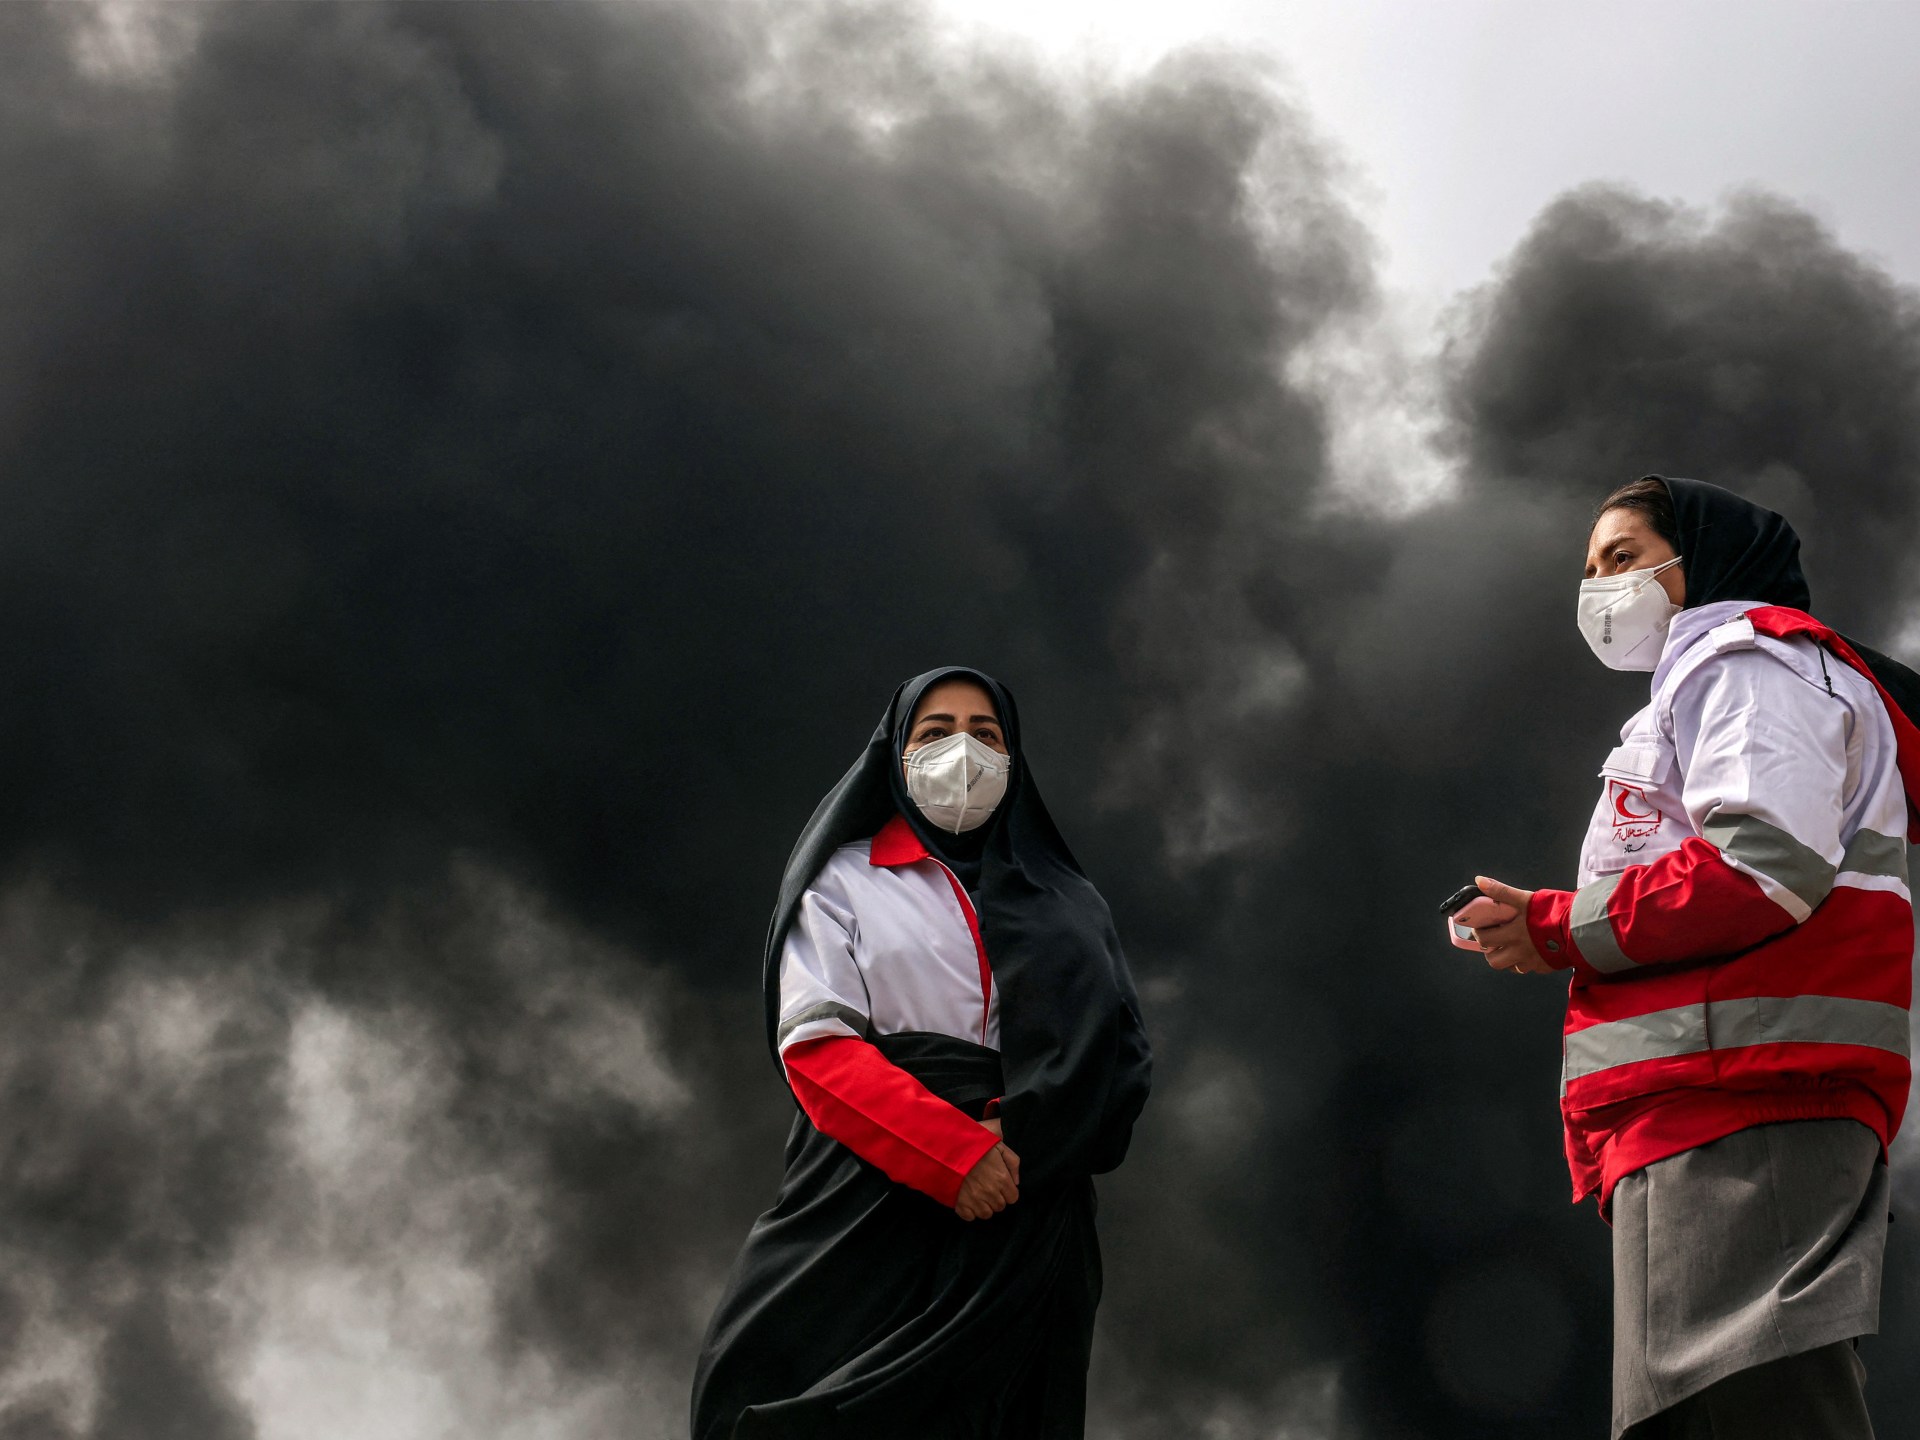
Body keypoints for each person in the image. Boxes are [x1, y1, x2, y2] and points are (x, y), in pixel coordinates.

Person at [1459, 475, 1920, 1439]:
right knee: (1711, 1415)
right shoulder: (1715, 678)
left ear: (1702, 558)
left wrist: (1557, 927)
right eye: (1591, 569)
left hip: (1745, 1098)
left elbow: (1765, 868)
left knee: (1753, 1408)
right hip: (1707, 1097)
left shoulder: (1746, 660)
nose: (1601, 588)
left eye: (1623, 557)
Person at [690, 667, 1152, 1440]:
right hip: (867, 1206)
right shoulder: (843, 884)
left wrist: (1024, 1138)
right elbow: (817, 1050)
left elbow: (1122, 1061)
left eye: (986, 734)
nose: (963, 753)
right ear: (896, 754)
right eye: (936, 733)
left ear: (1013, 757)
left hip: (1029, 1217)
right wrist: (955, 1156)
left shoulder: (1072, 903)